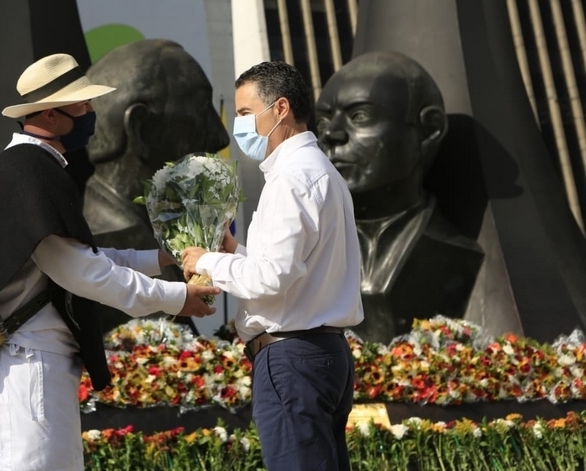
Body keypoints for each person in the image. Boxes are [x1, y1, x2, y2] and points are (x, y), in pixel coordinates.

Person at [0, 53, 221, 471]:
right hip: (27, 361)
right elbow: (79, 271)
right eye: (82, 104)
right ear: (51, 115)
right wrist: (174, 297)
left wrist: (162, 257)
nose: (91, 112)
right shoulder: (27, 172)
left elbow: (84, 258)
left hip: (30, 359)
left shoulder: (29, 167)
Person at [181, 61, 364, 470]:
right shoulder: (321, 173)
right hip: (322, 350)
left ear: (280, 108)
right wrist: (235, 256)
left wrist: (207, 259)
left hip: (292, 356)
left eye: (245, 113)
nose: (239, 126)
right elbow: (294, 270)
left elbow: (274, 276)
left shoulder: (292, 177)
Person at [313, 51, 484, 343]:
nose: (332, 135)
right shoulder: (306, 251)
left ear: (428, 130)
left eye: (359, 116)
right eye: (324, 121)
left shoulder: (457, 252)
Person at [82, 39, 230, 333]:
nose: (219, 137)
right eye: (201, 111)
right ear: (142, 130)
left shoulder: (161, 237)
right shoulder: (103, 240)